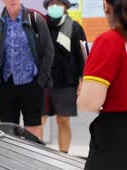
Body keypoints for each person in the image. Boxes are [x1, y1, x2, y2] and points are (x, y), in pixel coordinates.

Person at [75, 0, 127, 170]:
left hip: (116, 136)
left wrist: (84, 85)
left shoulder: (111, 41)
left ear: (107, 6)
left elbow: (90, 102)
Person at [0, 0, 54, 139]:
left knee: (32, 129)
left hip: (32, 83)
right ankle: (10, 160)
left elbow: (48, 51)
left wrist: (41, 80)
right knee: (8, 131)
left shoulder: (35, 19)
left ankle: (33, 160)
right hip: (7, 85)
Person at [41, 0, 87, 153]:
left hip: (67, 83)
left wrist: (83, 80)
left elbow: (82, 56)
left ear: (66, 6)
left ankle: (63, 156)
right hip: (43, 82)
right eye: (51, 3)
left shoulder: (74, 27)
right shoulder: (40, 25)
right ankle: (35, 154)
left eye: (58, 3)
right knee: (39, 120)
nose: (54, 7)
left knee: (63, 120)